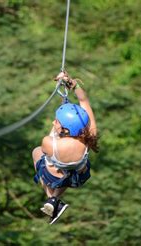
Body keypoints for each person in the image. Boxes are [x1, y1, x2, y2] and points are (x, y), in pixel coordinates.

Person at [32, 71, 99, 224]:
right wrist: (73, 85)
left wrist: (70, 86)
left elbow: (45, 149)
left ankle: (52, 198)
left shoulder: (50, 142)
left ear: (65, 130)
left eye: (56, 122)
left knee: (36, 152)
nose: (53, 123)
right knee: (68, 171)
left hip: (55, 177)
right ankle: (54, 201)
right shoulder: (89, 135)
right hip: (78, 177)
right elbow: (84, 101)